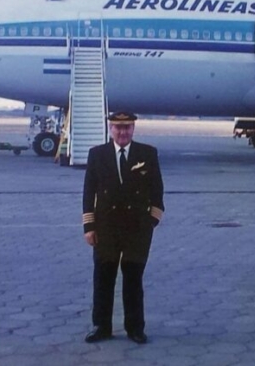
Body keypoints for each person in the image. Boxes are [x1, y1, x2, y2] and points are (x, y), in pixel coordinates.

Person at [82, 111, 164, 344]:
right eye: (118, 127)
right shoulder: (97, 155)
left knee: (133, 280)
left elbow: (157, 189)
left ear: (133, 129)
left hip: (136, 230)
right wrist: (89, 226)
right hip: (106, 229)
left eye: (127, 127)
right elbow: (89, 192)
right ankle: (101, 326)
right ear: (110, 129)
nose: (122, 132)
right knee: (103, 279)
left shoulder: (147, 153)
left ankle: (135, 328)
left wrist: (152, 220)